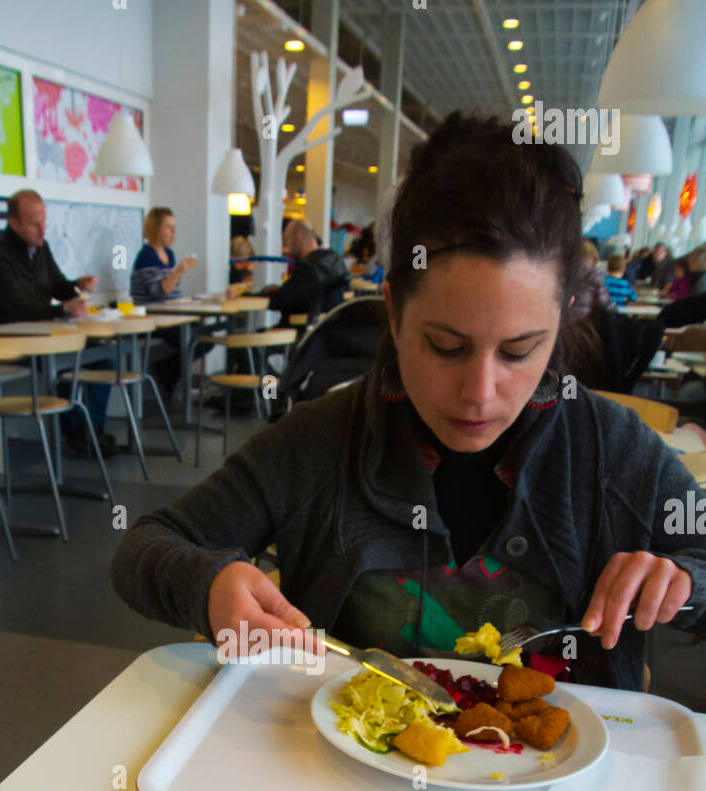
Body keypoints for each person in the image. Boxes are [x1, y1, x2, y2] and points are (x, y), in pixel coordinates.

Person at [110, 112, 705, 692]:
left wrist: (683, 578)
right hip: (335, 782)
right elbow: (145, 545)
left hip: (566, 790)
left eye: (520, 351)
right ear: (393, 312)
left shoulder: (610, 452)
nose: (480, 392)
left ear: (562, 318)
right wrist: (209, 583)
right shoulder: (321, 441)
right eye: (445, 346)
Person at [0, 189, 116, 456]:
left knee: (103, 357)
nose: (42, 230)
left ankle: (91, 430)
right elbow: (18, 308)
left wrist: (77, 286)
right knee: (71, 363)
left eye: (44, 222)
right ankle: (78, 431)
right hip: (9, 347)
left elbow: (56, 285)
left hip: (43, 340)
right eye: (34, 224)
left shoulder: (41, 249)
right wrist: (63, 307)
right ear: (14, 223)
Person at [130, 207, 200, 409]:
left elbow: (172, 292)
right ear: (155, 229)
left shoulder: (168, 253)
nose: (173, 233)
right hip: (153, 320)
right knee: (193, 340)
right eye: (168, 228)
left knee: (199, 339)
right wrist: (179, 271)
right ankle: (168, 378)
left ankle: (167, 373)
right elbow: (161, 292)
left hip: (172, 317)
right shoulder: (146, 256)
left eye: (174, 228)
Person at [260, 219, 349, 326]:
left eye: (287, 241)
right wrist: (282, 290)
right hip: (331, 330)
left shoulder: (308, 267)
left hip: (305, 334)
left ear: (299, 236)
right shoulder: (335, 260)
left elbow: (282, 300)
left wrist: (258, 294)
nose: (286, 248)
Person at [573, 239, 611, 316]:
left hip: (566, 320)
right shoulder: (596, 276)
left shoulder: (568, 276)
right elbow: (604, 301)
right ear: (595, 260)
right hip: (586, 319)